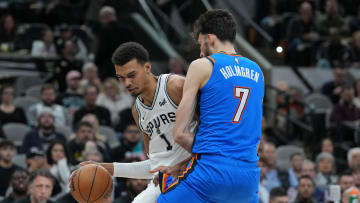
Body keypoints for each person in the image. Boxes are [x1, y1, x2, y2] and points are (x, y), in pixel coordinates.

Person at [154, 9, 264, 202]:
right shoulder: (258, 72)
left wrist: (191, 161)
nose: (200, 51)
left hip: (211, 173)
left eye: (200, 44)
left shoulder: (203, 65)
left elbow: (180, 134)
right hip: (249, 178)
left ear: (210, 39)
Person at [76, 41, 191, 203]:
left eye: (131, 75)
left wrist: (182, 164)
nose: (126, 83)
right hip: (167, 181)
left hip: (196, 171)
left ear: (147, 68)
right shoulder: (137, 111)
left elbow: (215, 133)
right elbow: (154, 166)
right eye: (121, 78)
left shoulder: (175, 86)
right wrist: (105, 168)